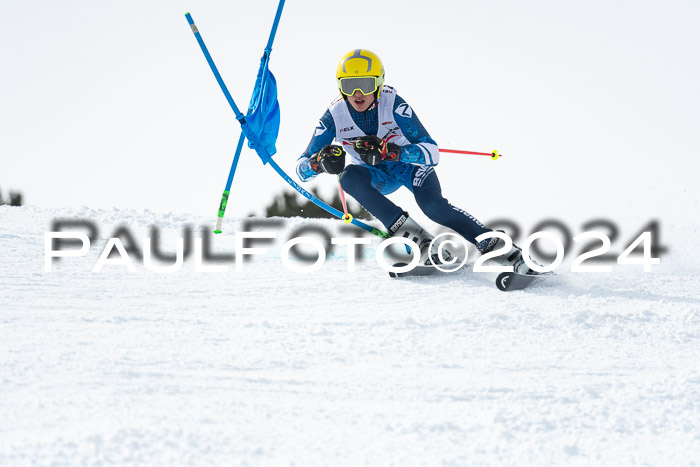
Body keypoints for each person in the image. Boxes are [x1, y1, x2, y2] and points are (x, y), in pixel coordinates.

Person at [296, 49, 531, 273]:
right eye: (349, 85)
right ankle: (420, 241)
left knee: (434, 209)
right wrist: (319, 163)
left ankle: (501, 249)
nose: (358, 93)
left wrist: (393, 152)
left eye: (366, 84)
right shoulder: (334, 115)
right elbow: (301, 169)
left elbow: (431, 152)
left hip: (411, 169)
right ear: (340, 86)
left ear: (378, 83)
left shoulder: (394, 104)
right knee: (348, 177)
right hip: (377, 176)